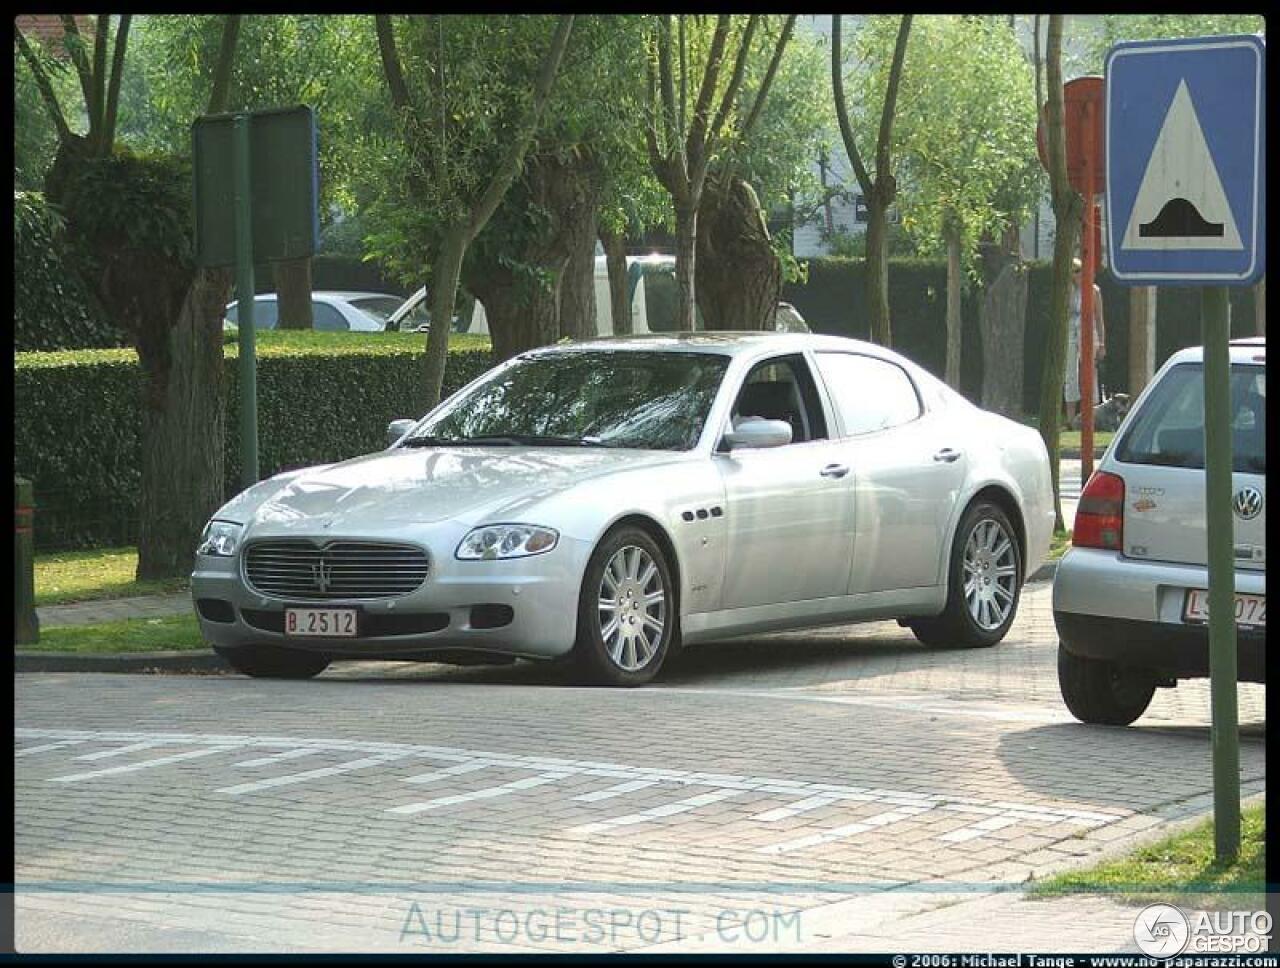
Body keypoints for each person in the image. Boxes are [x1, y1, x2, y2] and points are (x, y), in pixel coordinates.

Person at [1064, 257, 1106, 428]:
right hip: (1070, 334)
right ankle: (1071, 420)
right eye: (1075, 272)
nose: (1079, 275)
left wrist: (1102, 343)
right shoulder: (1068, 291)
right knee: (1070, 375)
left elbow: (1099, 319)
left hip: (1088, 334)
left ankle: (1091, 418)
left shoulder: (1094, 291)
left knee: (1090, 374)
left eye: (1080, 271)